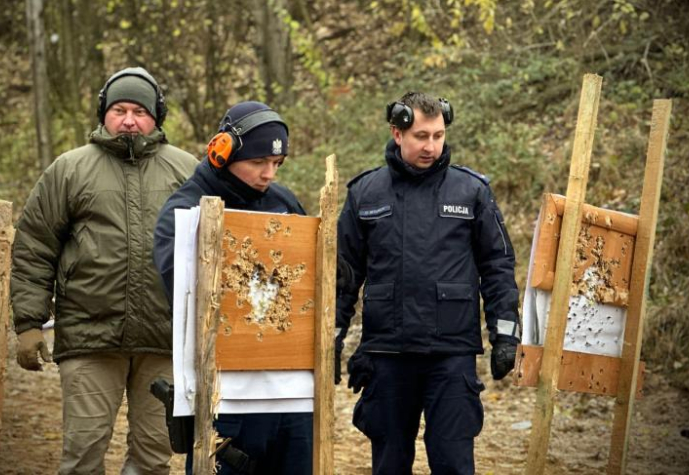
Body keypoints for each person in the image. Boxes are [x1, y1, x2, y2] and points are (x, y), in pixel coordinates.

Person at [10, 67, 197, 475]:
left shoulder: (187, 171)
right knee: (83, 457)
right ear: (103, 114)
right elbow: (34, 247)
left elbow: (215, 250)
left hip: (166, 341)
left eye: (139, 111)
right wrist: (28, 322)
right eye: (119, 110)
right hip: (90, 339)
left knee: (153, 459)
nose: (129, 120)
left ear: (156, 117)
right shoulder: (69, 170)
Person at [335, 92, 520, 475]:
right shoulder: (365, 193)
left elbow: (498, 265)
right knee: (389, 464)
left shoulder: (472, 192)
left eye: (438, 136)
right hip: (387, 354)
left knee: (454, 464)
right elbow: (343, 275)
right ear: (397, 133)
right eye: (421, 136)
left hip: (450, 354)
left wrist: (505, 334)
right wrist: (331, 335)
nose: (431, 146)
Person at [153, 101, 313, 475]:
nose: (268, 174)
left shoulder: (285, 202)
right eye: (259, 162)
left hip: (290, 394)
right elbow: (185, 295)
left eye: (277, 164)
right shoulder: (184, 210)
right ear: (222, 152)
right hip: (227, 396)